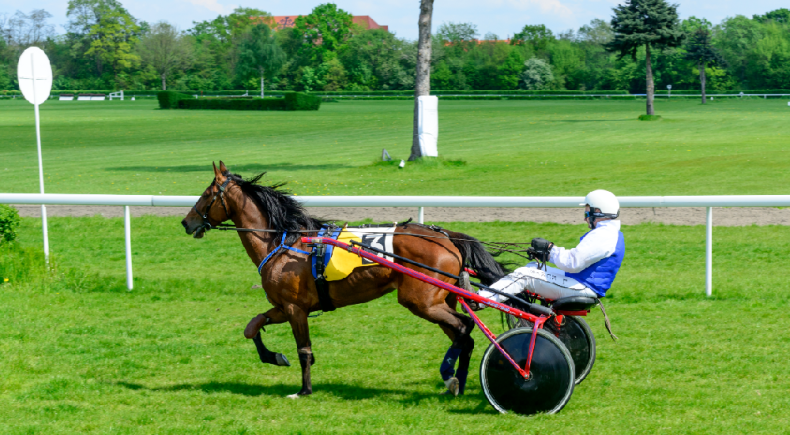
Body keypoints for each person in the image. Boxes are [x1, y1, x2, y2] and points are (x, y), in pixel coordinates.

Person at [476, 189, 625, 306]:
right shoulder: (609, 233)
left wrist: (550, 250)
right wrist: (548, 254)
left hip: (583, 287)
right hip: (582, 283)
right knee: (534, 267)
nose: (585, 218)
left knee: (524, 275)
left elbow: (572, 263)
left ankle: (479, 300)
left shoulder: (603, 235)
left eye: (587, 212)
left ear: (598, 212)